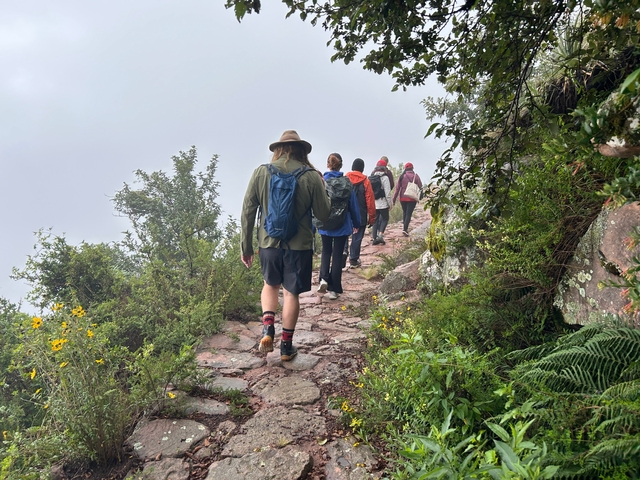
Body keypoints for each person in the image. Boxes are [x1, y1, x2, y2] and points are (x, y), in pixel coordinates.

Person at [241, 130, 331, 362]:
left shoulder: (261, 172)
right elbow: (323, 213)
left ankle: (268, 329)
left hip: (268, 243)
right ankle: (286, 347)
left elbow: (248, 212)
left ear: (278, 149)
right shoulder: (311, 176)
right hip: (298, 245)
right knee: (291, 294)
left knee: (270, 285)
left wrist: (247, 247)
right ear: (302, 150)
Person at [317, 153, 361, 300]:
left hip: (325, 224)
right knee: (337, 256)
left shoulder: (322, 181)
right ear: (341, 165)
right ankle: (334, 289)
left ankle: (323, 278)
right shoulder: (347, 182)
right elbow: (353, 205)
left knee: (326, 252)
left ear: (328, 164)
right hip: (342, 225)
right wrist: (357, 222)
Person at [344, 158, 376, 267]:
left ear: (352, 167)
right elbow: (370, 201)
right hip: (360, 215)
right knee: (357, 238)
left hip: (346, 214)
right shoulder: (366, 182)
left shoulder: (345, 179)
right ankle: (353, 260)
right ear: (362, 168)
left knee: (344, 235)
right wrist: (372, 218)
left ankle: (342, 253)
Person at [393, 162, 423, 236]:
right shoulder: (416, 176)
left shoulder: (402, 176)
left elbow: (397, 189)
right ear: (412, 168)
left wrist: (393, 199)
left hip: (402, 198)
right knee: (408, 214)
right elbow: (420, 187)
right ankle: (405, 229)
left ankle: (404, 227)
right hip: (412, 198)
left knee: (405, 212)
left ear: (405, 168)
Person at [370, 159, 393, 245]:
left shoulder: (372, 177)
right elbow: (387, 193)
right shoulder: (385, 177)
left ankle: (374, 238)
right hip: (383, 203)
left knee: (375, 221)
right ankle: (380, 235)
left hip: (374, 203)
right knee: (385, 218)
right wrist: (390, 204)